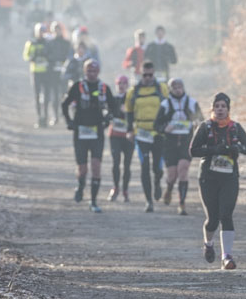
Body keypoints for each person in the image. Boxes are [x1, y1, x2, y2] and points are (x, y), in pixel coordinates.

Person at [190, 93, 246, 269]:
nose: (220, 109)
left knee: (226, 215)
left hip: (229, 178)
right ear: (212, 108)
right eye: (217, 106)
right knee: (212, 219)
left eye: (223, 106)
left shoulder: (235, 128)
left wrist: (237, 148)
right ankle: (208, 244)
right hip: (208, 178)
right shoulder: (205, 127)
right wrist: (213, 150)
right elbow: (193, 151)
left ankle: (227, 257)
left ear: (228, 109)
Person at [61, 58, 118, 213]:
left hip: (97, 132)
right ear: (84, 71)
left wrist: (108, 118)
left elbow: (114, 107)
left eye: (94, 71)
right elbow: (64, 104)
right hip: (80, 131)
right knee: (83, 168)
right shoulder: (77, 87)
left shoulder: (104, 88)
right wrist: (69, 121)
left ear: (98, 72)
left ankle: (93, 201)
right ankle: (80, 186)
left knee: (96, 167)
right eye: (89, 71)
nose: (92, 74)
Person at [125, 61, 168, 212]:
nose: (148, 78)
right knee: (144, 167)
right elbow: (129, 113)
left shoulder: (162, 88)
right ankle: (148, 200)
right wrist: (129, 130)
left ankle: (157, 181)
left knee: (157, 167)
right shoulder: (133, 91)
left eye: (150, 75)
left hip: (158, 134)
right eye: (145, 75)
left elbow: (169, 108)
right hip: (141, 133)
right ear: (140, 74)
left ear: (154, 73)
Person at [155, 78, 200, 215]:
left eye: (180, 86)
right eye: (174, 87)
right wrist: (164, 128)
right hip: (170, 143)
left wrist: (197, 124)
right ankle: (169, 189)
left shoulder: (192, 103)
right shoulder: (165, 104)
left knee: (183, 170)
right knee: (172, 175)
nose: (178, 89)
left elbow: (201, 120)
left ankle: (182, 203)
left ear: (183, 87)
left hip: (186, 142)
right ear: (170, 89)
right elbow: (156, 125)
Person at [107, 74, 134, 202]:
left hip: (128, 136)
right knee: (115, 162)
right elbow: (107, 113)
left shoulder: (131, 99)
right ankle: (115, 187)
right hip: (115, 135)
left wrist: (127, 111)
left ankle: (125, 190)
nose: (121, 86)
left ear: (127, 85)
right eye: (119, 84)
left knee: (127, 164)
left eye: (124, 83)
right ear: (116, 85)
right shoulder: (112, 99)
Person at [22, 23, 51, 127]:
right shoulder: (31, 43)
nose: (41, 33)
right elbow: (25, 56)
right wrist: (33, 58)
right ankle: (39, 117)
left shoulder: (48, 43)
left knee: (47, 96)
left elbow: (51, 55)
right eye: (40, 31)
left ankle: (46, 117)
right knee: (37, 96)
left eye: (43, 31)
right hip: (35, 72)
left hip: (46, 72)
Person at [44, 21, 71, 125]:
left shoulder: (66, 43)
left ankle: (64, 115)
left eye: (58, 29)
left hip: (64, 72)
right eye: (55, 29)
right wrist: (53, 61)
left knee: (64, 94)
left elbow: (69, 55)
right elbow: (46, 55)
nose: (57, 31)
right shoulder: (49, 43)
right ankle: (55, 116)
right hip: (53, 72)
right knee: (54, 95)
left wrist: (63, 62)